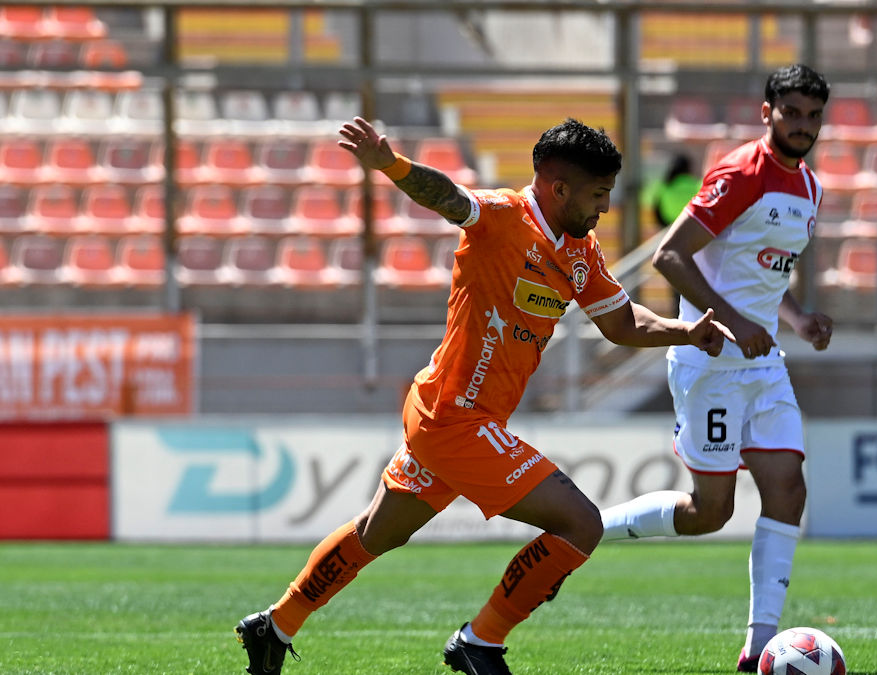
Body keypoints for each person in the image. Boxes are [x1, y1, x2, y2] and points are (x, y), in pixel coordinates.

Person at [234, 116, 733, 675]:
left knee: (377, 533)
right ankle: (481, 641)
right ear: (558, 187)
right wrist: (391, 165)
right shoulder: (501, 217)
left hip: (451, 415)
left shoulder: (579, 251)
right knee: (581, 524)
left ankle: (273, 626)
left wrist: (683, 330)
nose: (606, 208)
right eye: (598, 194)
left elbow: (620, 323)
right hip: (456, 419)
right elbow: (449, 197)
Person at [598, 64, 835, 673]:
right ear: (768, 113)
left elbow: (765, 273)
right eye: (792, 114)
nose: (803, 126)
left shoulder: (808, 187)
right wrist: (734, 322)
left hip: (764, 364)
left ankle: (759, 650)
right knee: (712, 513)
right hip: (711, 361)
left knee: (788, 490)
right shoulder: (742, 174)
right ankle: (594, 528)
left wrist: (799, 320)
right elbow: (669, 257)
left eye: (813, 115)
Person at [645, 153, 702, 229]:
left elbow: (655, 208)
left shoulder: (663, 186)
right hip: (690, 225)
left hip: (668, 224)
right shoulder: (698, 185)